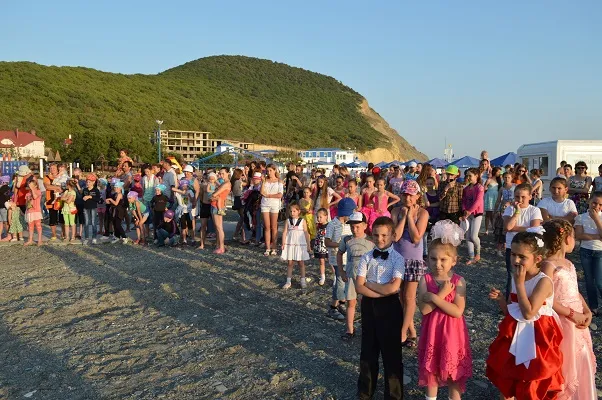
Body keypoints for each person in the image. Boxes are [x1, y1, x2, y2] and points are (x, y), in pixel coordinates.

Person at [486, 229, 563, 400]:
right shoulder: (518, 276)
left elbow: (529, 313)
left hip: (538, 336)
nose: (516, 260)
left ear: (538, 259)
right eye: (513, 254)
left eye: (522, 257)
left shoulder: (543, 281)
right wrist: (501, 300)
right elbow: (512, 312)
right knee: (508, 373)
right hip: (515, 333)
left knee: (532, 378)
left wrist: (520, 284)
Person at [542, 219, 597, 399]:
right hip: (562, 320)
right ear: (567, 239)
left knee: (581, 356)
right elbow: (547, 298)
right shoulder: (548, 265)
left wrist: (587, 311)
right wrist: (573, 314)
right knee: (566, 359)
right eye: (574, 236)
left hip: (578, 319)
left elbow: (575, 291)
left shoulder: (569, 264)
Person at [417, 220, 472, 400]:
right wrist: (441, 294)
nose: (438, 264)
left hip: (452, 335)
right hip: (432, 333)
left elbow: (457, 311)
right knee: (431, 373)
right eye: (433, 259)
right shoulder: (425, 280)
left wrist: (434, 298)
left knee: (453, 375)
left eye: (443, 260)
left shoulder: (459, 281)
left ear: (454, 261)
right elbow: (424, 310)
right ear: (427, 258)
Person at [355, 216, 403, 400]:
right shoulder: (366, 257)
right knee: (368, 350)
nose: (380, 239)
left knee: (392, 353)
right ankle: (365, 392)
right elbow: (359, 287)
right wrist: (380, 292)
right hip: (369, 304)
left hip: (390, 307)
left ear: (393, 235)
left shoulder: (398, 259)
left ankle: (394, 396)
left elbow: (394, 288)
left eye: (384, 235)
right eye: (376, 235)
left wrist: (370, 285)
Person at [392, 180, 428, 347]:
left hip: (414, 259)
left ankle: (402, 332)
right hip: (397, 258)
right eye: (405, 194)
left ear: (417, 196)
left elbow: (416, 237)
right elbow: (395, 236)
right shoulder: (395, 211)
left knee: (409, 297)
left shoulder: (423, 213)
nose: (407, 198)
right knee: (400, 297)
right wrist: (404, 217)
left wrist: (411, 218)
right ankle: (412, 332)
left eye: (411, 195)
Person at [337, 211, 374, 341]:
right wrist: (341, 271)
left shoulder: (371, 240)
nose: (354, 229)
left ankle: (368, 329)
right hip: (351, 276)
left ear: (365, 225)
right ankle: (349, 330)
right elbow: (339, 253)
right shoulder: (346, 239)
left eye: (358, 226)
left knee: (367, 304)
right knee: (351, 303)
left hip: (367, 278)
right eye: (352, 226)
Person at [502, 183, 543, 300]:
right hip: (512, 247)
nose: (519, 200)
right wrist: (517, 213)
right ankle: (510, 301)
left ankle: (526, 299)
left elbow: (535, 229)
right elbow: (508, 227)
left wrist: (515, 228)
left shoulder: (535, 210)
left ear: (530, 196)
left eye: (523, 197)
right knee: (512, 275)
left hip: (528, 249)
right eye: (517, 197)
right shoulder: (510, 209)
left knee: (528, 274)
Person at [325, 198, 356, 317]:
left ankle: (341, 303)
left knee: (345, 280)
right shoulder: (332, 224)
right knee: (340, 281)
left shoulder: (350, 224)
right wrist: (341, 245)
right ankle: (333, 307)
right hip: (336, 258)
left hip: (348, 257)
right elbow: (327, 242)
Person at [574, 191, 602, 317]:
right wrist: (597, 236)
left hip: (599, 252)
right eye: (594, 203)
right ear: (589, 201)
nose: (597, 206)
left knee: (599, 281)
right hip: (586, 251)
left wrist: (596, 219)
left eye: (600, 205)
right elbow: (579, 235)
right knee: (589, 281)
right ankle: (593, 307)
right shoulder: (581, 217)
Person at [280, 202, 311, 289]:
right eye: (291, 211)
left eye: (294, 211)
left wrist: (308, 245)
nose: (292, 213)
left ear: (298, 211)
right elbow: (284, 232)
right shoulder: (287, 221)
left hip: (300, 245)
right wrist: (283, 243)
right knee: (290, 263)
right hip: (290, 244)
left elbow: (306, 233)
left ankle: (303, 280)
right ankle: (288, 281)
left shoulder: (302, 221)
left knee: (301, 262)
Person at [460, 168, 485, 264]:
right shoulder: (466, 188)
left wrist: (469, 211)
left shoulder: (480, 187)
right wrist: (464, 210)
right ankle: (471, 257)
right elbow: (463, 201)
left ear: (476, 176)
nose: (468, 177)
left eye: (470, 176)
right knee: (468, 237)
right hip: (468, 214)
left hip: (477, 214)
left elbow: (478, 201)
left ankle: (478, 253)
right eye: (467, 176)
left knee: (474, 236)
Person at [260, 164, 284, 256]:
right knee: (267, 227)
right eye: (267, 171)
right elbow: (262, 192)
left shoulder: (279, 181)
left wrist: (269, 195)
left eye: (270, 170)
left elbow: (280, 194)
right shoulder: (265, 180)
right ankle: (267, 248)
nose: (269, 172)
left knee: (274, 227)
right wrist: (263, 182)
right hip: (265, 204)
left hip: (274, 205)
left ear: (274, 171)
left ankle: (274, 247)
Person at [210, 167, 231, 254]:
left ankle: (221, 247)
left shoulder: (226, 184)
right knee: (217, 227)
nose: (221, 175)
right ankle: (219, 245)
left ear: (228, 173)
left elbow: (215, 194)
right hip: (216, 205)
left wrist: (213, 196)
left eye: (223, 173)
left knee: (219, 228)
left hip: (218, 206)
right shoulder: (224, 183)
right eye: (220, 173)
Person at [81, 174, 101, 245]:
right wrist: (83, 198)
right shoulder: (85, 190)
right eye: (87, 182)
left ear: (93, 182)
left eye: (89, 182)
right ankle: (86, 238)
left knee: (93, 223)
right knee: (86, 223)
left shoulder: (96, 190)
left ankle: (94, 237)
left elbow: (98, 199)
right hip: (85, 208)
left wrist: (90, 197)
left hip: (93, 208)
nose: (88, 183)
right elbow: (82, 197)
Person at [313, 208, 330, 289]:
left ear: (326, 216)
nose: (319, 219)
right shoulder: (318, 226)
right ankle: (322, 276)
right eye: (317, 217)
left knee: (331, 261)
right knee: (321, 261)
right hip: (320, 245)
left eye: (320, 217)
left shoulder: (330, 226)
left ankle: (336, 276)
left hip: (327, 246)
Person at [23, 179, 43, 246]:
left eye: (31, 185)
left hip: (36, 211)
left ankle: (40, 240)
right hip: (30, 211)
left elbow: (35, 197)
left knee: (38, 225)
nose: (30, 187)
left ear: (35, 185)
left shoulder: (38, 191)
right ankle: (30, 240)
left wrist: (32, 190)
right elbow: (26, 204)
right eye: (29, 185)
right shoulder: (28, 194)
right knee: (30, 226)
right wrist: (28, 204)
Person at [174, 180, 194, 245]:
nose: (185, 187)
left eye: (186, 186)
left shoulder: (190, 191)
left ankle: (192, 239)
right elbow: (173, 189)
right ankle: (184, 240)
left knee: (190, 226)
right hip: (182, 211)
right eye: (183, 186)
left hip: (188, 211)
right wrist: (181, 191)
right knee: (183, 227)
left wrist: (189, 195)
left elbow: (193, 200)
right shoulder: (179, 193)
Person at [484, 167, 502, 235]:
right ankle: (486, 229)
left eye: (500, 172)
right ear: (494, 172)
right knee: (488, 214)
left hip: (496, 196)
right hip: (489, 197)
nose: (499, 173)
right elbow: (484, 187)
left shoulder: (499, 180)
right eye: (498, 172)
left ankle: (493, 227)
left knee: (494, 213)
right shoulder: (489, 179)